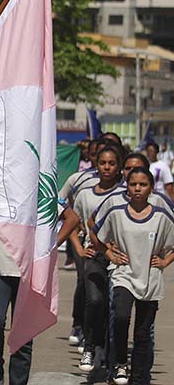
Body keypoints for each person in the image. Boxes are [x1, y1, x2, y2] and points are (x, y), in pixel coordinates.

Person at [0, 202, 79, 385]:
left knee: (23, 334)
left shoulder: (35, 187)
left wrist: (49, 246)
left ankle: (18, 381)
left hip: (29, 271)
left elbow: (72, 219)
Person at [94, 167, 174, 385]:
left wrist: (166, 260)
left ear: (151, 188)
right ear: (127, 186)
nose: (137, 188)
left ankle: (138, 378)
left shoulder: (162, 215)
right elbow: (95, 233)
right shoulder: (117, 211)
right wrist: (109, 253)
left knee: (142, 333)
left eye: (143, 184)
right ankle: (120, 363)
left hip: (150, 279)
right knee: (120, 316)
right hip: (124, 275)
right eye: (133, 184)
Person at [70, 145, 123, 373]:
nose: (107, 167)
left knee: (114, 309)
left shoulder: (124, 193)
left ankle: (110, 356)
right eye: (103, 163)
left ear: (119, 166)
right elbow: (72, 222)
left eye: (112, 163)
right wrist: (79, 249)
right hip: (94, 255)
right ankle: (89, 346)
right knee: (94, 300)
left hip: (119, 259)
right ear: (96, 164)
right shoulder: (84, 194)